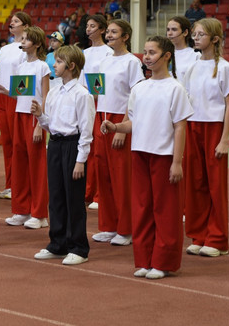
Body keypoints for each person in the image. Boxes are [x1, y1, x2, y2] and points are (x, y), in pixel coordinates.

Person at [101, 35, 193, 280]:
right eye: (145, 52)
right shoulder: (139, 88)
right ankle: (144, 259)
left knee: (166, 211)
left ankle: (163, 261)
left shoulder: (176, 88)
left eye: (152, 52)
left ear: (166, 56)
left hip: (164, 157)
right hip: (140, 154)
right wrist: (116, 127)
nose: (147, 57)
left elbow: (180, 127)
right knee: (142, 209)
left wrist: (176, 161)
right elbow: (134, 122)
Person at [31, 45, 96, 266]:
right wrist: (41, 117)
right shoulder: (54, 93)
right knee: (56, 196)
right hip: (56, 145)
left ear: (71, 66)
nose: (53, 65)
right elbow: (52, 125)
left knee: (73, 199)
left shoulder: (83, 94)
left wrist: (80, 161)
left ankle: (78, 247)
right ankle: (57, 243)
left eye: (58, 62)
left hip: (73, 146)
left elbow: (86, 132)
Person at [183, 18, 229, 257]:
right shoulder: (192, 67)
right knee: (195, 183)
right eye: (194, 34)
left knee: (215, 185)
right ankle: (199, 234)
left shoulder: (224, 67)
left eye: (200, 34)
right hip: (192, 127)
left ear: (214, 39)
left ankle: (217, 239)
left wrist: (224, 139)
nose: (195, 38)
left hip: (214, 129)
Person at [92, 20, 144, 247]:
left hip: (120, 121)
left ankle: (126, 228)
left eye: (114, 32)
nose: (110, 35)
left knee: (122, 177)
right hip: (101, 119)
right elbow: (97, 92)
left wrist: (124, 125)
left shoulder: (132, 62)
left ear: (126, 36)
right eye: (109, 32)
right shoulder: (103, 61)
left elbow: (136, 96)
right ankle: (108, 225)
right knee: (103, 175)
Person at [6, 27, 51, 230]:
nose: (22, 42)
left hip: (34, 118)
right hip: (19, 115)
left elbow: (46, 96)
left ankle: (39, 213)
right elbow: (18, 94)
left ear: (37, 43)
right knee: (20, 164)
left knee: (37, 166)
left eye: (26, 39)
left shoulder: (42, 67)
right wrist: (6, 91)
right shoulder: (21, 65)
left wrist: (40, 123)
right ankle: (21, 209)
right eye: (21, 39)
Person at [79, 14, 113, 210]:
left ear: (102, 29)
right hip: (86, 104)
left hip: (102, 105)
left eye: (93, 26)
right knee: (87, 148)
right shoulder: (84, 52)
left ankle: (100, 194)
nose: (88, 29)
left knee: (101, 152)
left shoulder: (108, 53)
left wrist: (96, 96)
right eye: (87, 26)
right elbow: (82, 80)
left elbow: (105, 81)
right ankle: (88, 191)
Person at [0, 12, 29, 200]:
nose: (11, 23)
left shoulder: (26, 48)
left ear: (25, 26)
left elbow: (24, 75)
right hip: (2, 96)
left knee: (18, 143)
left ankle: (21, 183)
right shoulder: (5, 48)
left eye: (16, 21)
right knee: (7, 142)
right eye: (11, 21)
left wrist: (15, 93)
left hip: (16, 97)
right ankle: (10, 183)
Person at [167, 16, 200, 84]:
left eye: (174, 29)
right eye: (168, 29)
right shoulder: (164, 54)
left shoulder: (195, 55)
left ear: (185, 32)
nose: (169, 33)